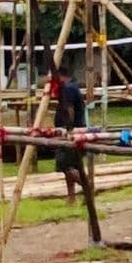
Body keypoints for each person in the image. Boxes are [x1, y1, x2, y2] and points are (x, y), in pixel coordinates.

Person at [52, 64, 86, 205]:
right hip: (72, 130)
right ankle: (71, 197)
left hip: (71, 132)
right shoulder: (71, 87)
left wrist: (68, 129)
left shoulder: (68, 89)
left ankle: (87, 187)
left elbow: (69, 110)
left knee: (65, 165)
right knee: (72, 166)